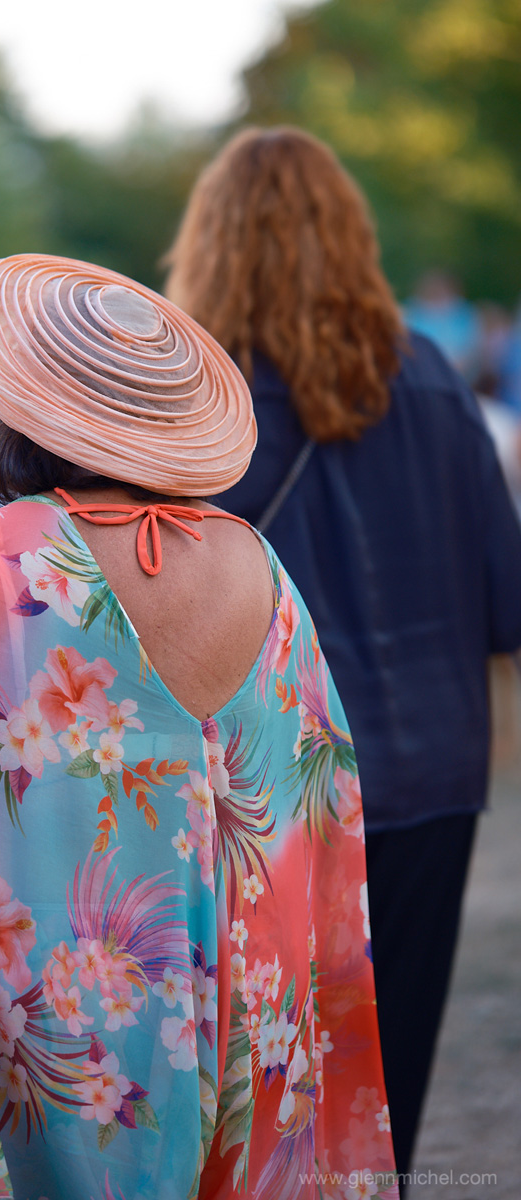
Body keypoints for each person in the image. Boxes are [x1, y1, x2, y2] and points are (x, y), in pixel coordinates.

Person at [0, 254, 398, 1199]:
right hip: (249, 999)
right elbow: (314, 781)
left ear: (20, 416)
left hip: (58, 1019)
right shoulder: (255, 561)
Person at [164, 126, 521, 1186]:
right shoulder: (432, 377)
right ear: (352, 235)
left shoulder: (199, 405)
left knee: (255, 1092)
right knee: (388, 1090)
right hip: (434, 772)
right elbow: (505, 601)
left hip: (267, 776)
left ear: (211, 241)